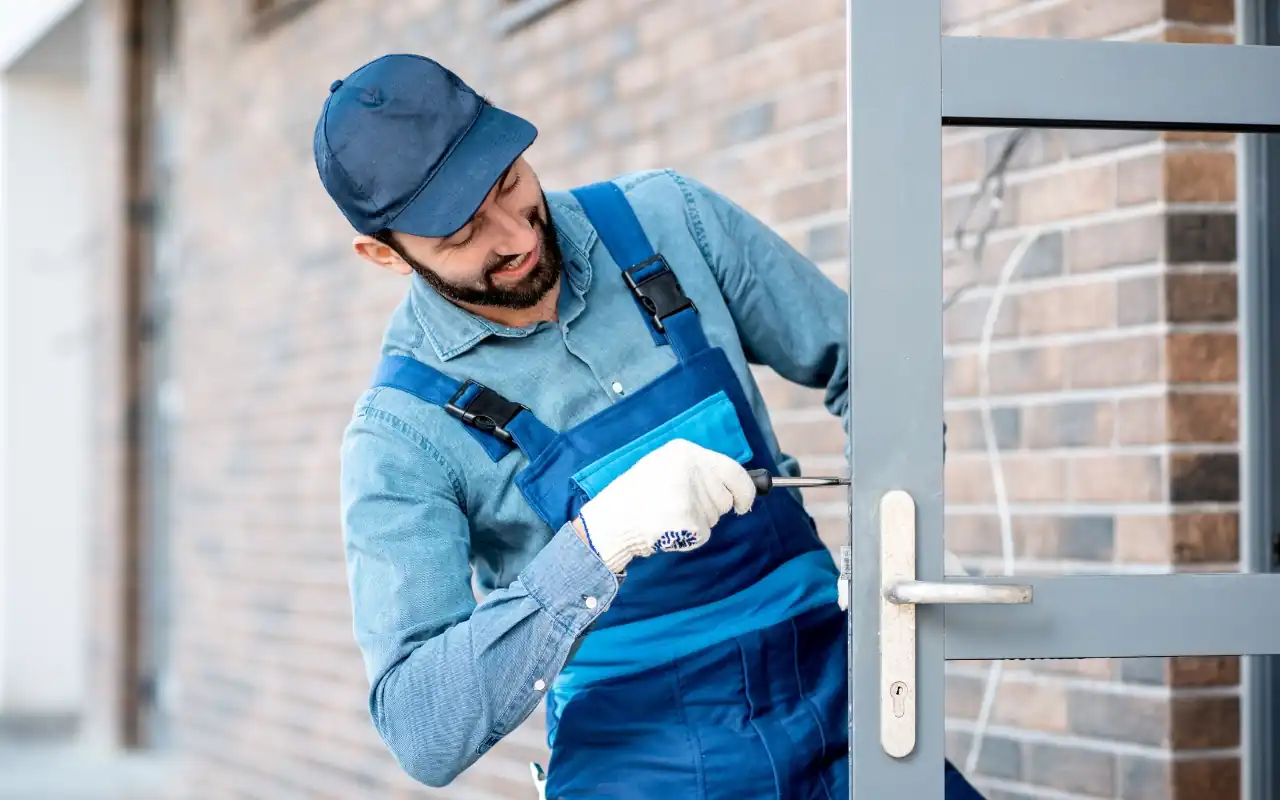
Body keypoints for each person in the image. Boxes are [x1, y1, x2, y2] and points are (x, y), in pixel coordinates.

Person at [313, 53, 985, 799]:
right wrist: (598, 545)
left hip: (843, 709)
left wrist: (895, 530)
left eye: (509, 182)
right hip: (643, 767)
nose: (516, 235)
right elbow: (419, 728)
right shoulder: (401, 436)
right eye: (463, 233)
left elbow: (874, 368)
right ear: (384, 255)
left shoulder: (672, 221)